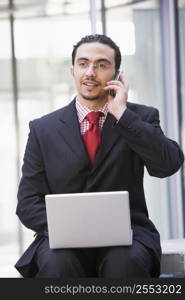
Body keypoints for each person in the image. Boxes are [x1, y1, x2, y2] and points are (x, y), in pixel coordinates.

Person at [15, 34, 184, 278]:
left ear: (117, 75)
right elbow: (28, 202)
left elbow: (168, 164)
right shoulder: (43, 129)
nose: (91, 72)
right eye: (83, 64)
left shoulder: (139, 118)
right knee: (57, 264)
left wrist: (123, 116)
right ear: (73, 71)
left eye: (102, 65)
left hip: (128, 236)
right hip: (61, 239)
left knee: (124, 264)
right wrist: (70, 229)